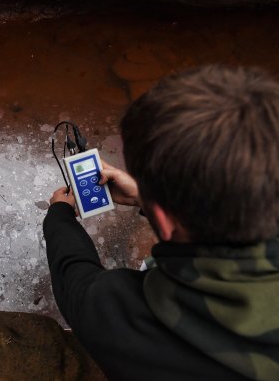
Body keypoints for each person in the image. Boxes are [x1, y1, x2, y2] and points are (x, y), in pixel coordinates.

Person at [44, 65, 279, 381]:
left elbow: (76, 279)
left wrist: (59, 215)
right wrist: (149, 197)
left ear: (166, 222)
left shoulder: (128, 318)